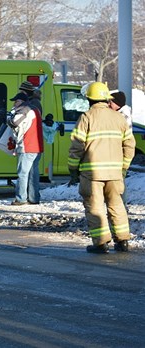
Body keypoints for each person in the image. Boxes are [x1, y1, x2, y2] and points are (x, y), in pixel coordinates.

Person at [68, 82, 136, 254]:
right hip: (114, 173)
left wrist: (73, 169)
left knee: (95, 207)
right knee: (116, 205)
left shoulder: (87, 117)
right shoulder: (118, 117)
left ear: (90, 99)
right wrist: (124, 167)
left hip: (92, 174)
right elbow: (129, 145)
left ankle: (100, 243)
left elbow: (77, 146)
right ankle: (123, 241)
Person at [6, 91, 43, 205]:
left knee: (23, 173)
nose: (14, 104)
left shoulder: (24, 110)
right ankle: (34, 198)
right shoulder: (35, 109)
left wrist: (8, 118)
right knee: (33, 174)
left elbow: (15, 122)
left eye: (16, 102)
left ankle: (21, 198)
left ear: (21, 101)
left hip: (27, 146)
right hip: (37, 147)